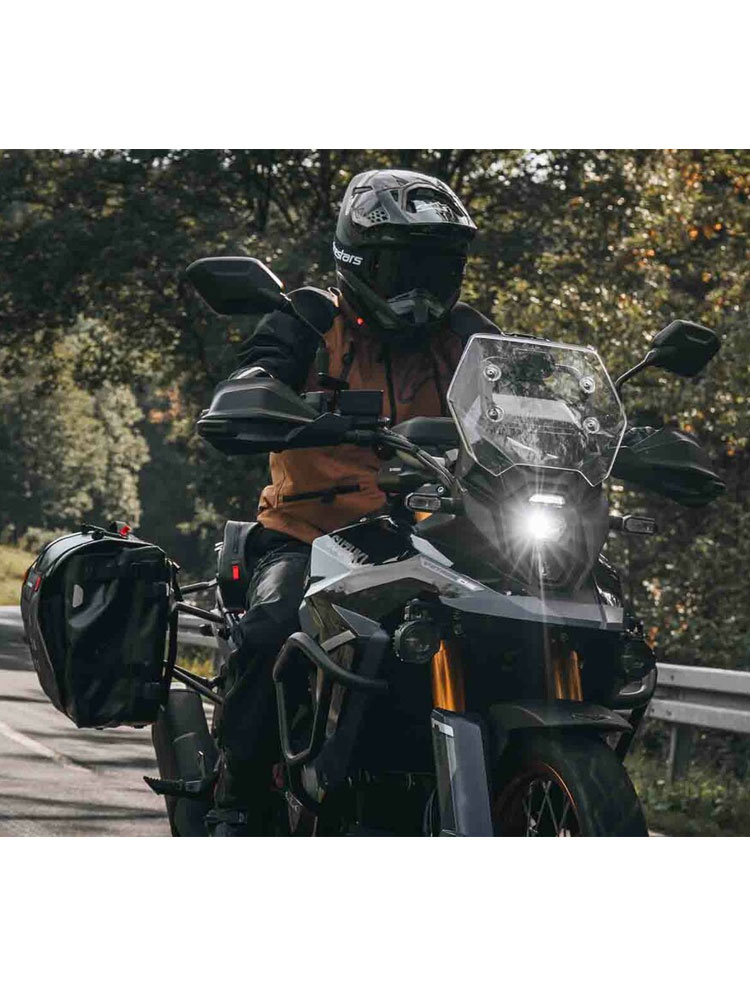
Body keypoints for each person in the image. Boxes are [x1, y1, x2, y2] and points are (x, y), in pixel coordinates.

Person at [208, 168, 499, 835]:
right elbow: (254, 372)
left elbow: (524, 393)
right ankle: (238, 802)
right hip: (311, 533)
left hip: (438, 537)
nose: (422, 288)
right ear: (358, 260)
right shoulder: (313, 318)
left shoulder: (465, 334)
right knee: (272, 627)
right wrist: (257, 396)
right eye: (405, 267)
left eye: (438, 268)